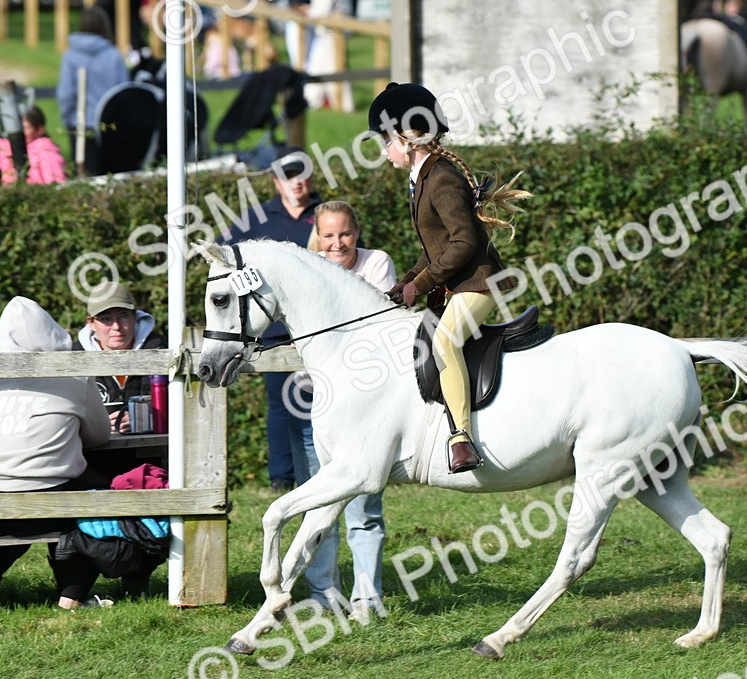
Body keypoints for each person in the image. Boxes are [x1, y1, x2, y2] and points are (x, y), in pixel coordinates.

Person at [368, 82, 530, 472]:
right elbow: (435, 246)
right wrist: (406, 281)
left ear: (407, 140)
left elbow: (463, 242)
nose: (383, 151)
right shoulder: (423, 177)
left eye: (385, 142)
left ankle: (461, 438)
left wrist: (421, 284)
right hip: (460, 283)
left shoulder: (441, 178)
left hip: (479, 282)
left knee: (444, 342)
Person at [0, 297, 112, 611]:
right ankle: (72, 594)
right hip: (50, 501)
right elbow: (99, 437)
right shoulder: (75, 380)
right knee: (103, 498)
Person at [302, 200, 393, 618]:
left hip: (366, 407)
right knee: (318, 505)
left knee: (363, 507)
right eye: (328, 235)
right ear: (317, 236)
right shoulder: (306, 268)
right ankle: (323, 595)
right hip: (317, 401)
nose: (337, 243)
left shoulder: (377, 263)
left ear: (357, 233)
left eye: (345, 234)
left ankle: (367, 599)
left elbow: (374, 325)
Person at [224, 149, 324, 490]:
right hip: (274, 331)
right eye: (287, 176)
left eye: (300, 175)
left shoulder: (324, 214)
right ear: (275, 181)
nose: (295, 183)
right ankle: (282, 478)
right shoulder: (256, 217)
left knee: (324, 401)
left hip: (318, 328)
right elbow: (226, 261)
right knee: (280, 406)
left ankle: (325, 472)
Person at [75, 282, 166, 436]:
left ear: (135, 317)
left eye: (123, 316)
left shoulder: (162, 349)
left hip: (154, 448)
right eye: (106, 318)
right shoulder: (73, 356)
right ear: (91, 323)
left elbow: (184, 405)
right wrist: (94, 424)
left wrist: (146, 418)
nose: (116, 326)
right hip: (94, 450)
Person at [57, 6, 129, 176]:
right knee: (109, 175)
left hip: (80, 124)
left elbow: (66, 93)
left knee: (84, 175)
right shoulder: (113, 55)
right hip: (109, 124)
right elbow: (124, 92)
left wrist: (67, 119)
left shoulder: (71, 55)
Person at [303, 0, 356, 112]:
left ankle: (343, 107)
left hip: (328, 33)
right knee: (325, 69)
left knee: (328, 70)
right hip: (337, 32)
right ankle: (311, 102)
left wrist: (307, 11)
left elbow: (321, 11)